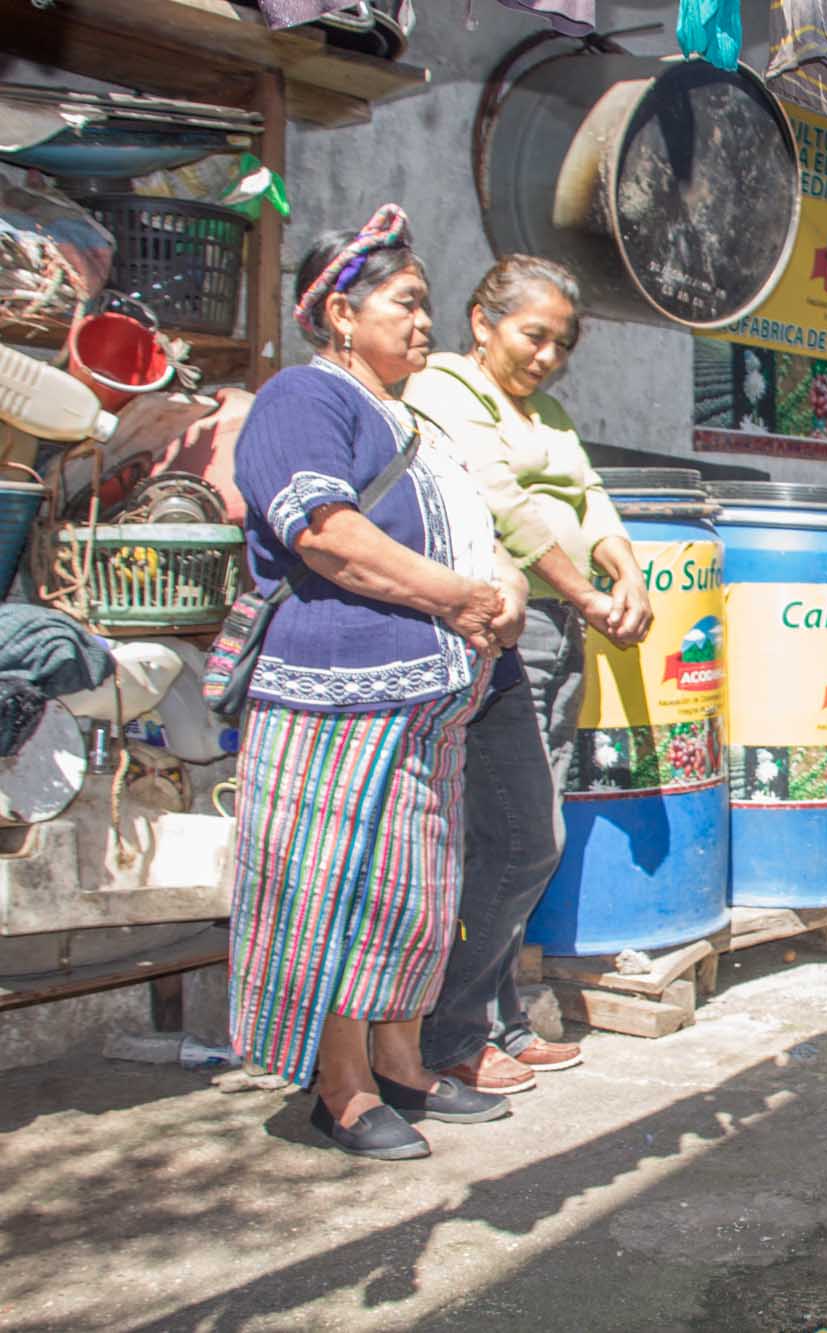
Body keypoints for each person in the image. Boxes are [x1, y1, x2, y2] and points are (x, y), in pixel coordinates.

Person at [228, 205, 525, 1159]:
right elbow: (325, 532)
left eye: (427, 303)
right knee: (336, 889)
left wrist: (503, 592)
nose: (424, 320)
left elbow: (479, 535)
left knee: (411, 891)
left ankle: (400, 1060)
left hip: (427, 702)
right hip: (335, 695)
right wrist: (463, 600)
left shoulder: (414, 420)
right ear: (341, 314)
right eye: (405, 303)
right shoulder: (301, 399)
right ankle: (340, 1086)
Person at [402, 255, 654, 1093]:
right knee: (514, 838)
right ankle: (452, 1031)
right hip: (500, 631)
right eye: (532, 335)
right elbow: (502, 503)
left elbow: (591, 497)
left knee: (521, 835)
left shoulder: (543, 410)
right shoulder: (444, 388)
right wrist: (586, 592)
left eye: (562, 344)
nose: (547, 356)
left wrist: (629, 573)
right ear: (482, 322)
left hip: (559, 626)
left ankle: (499, 1018)